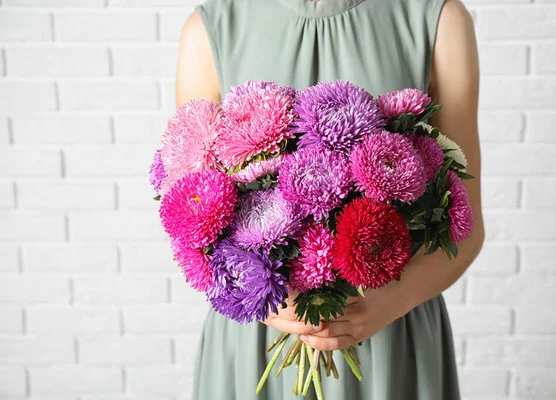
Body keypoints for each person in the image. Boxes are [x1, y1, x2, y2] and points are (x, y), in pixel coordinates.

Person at [176, 0, 484, 398]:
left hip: (390, 328)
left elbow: (464, 225)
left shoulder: (439, 20)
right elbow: (189, 215)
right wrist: (264, 297)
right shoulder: (210, 28)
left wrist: (389, 301)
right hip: (260, 333)